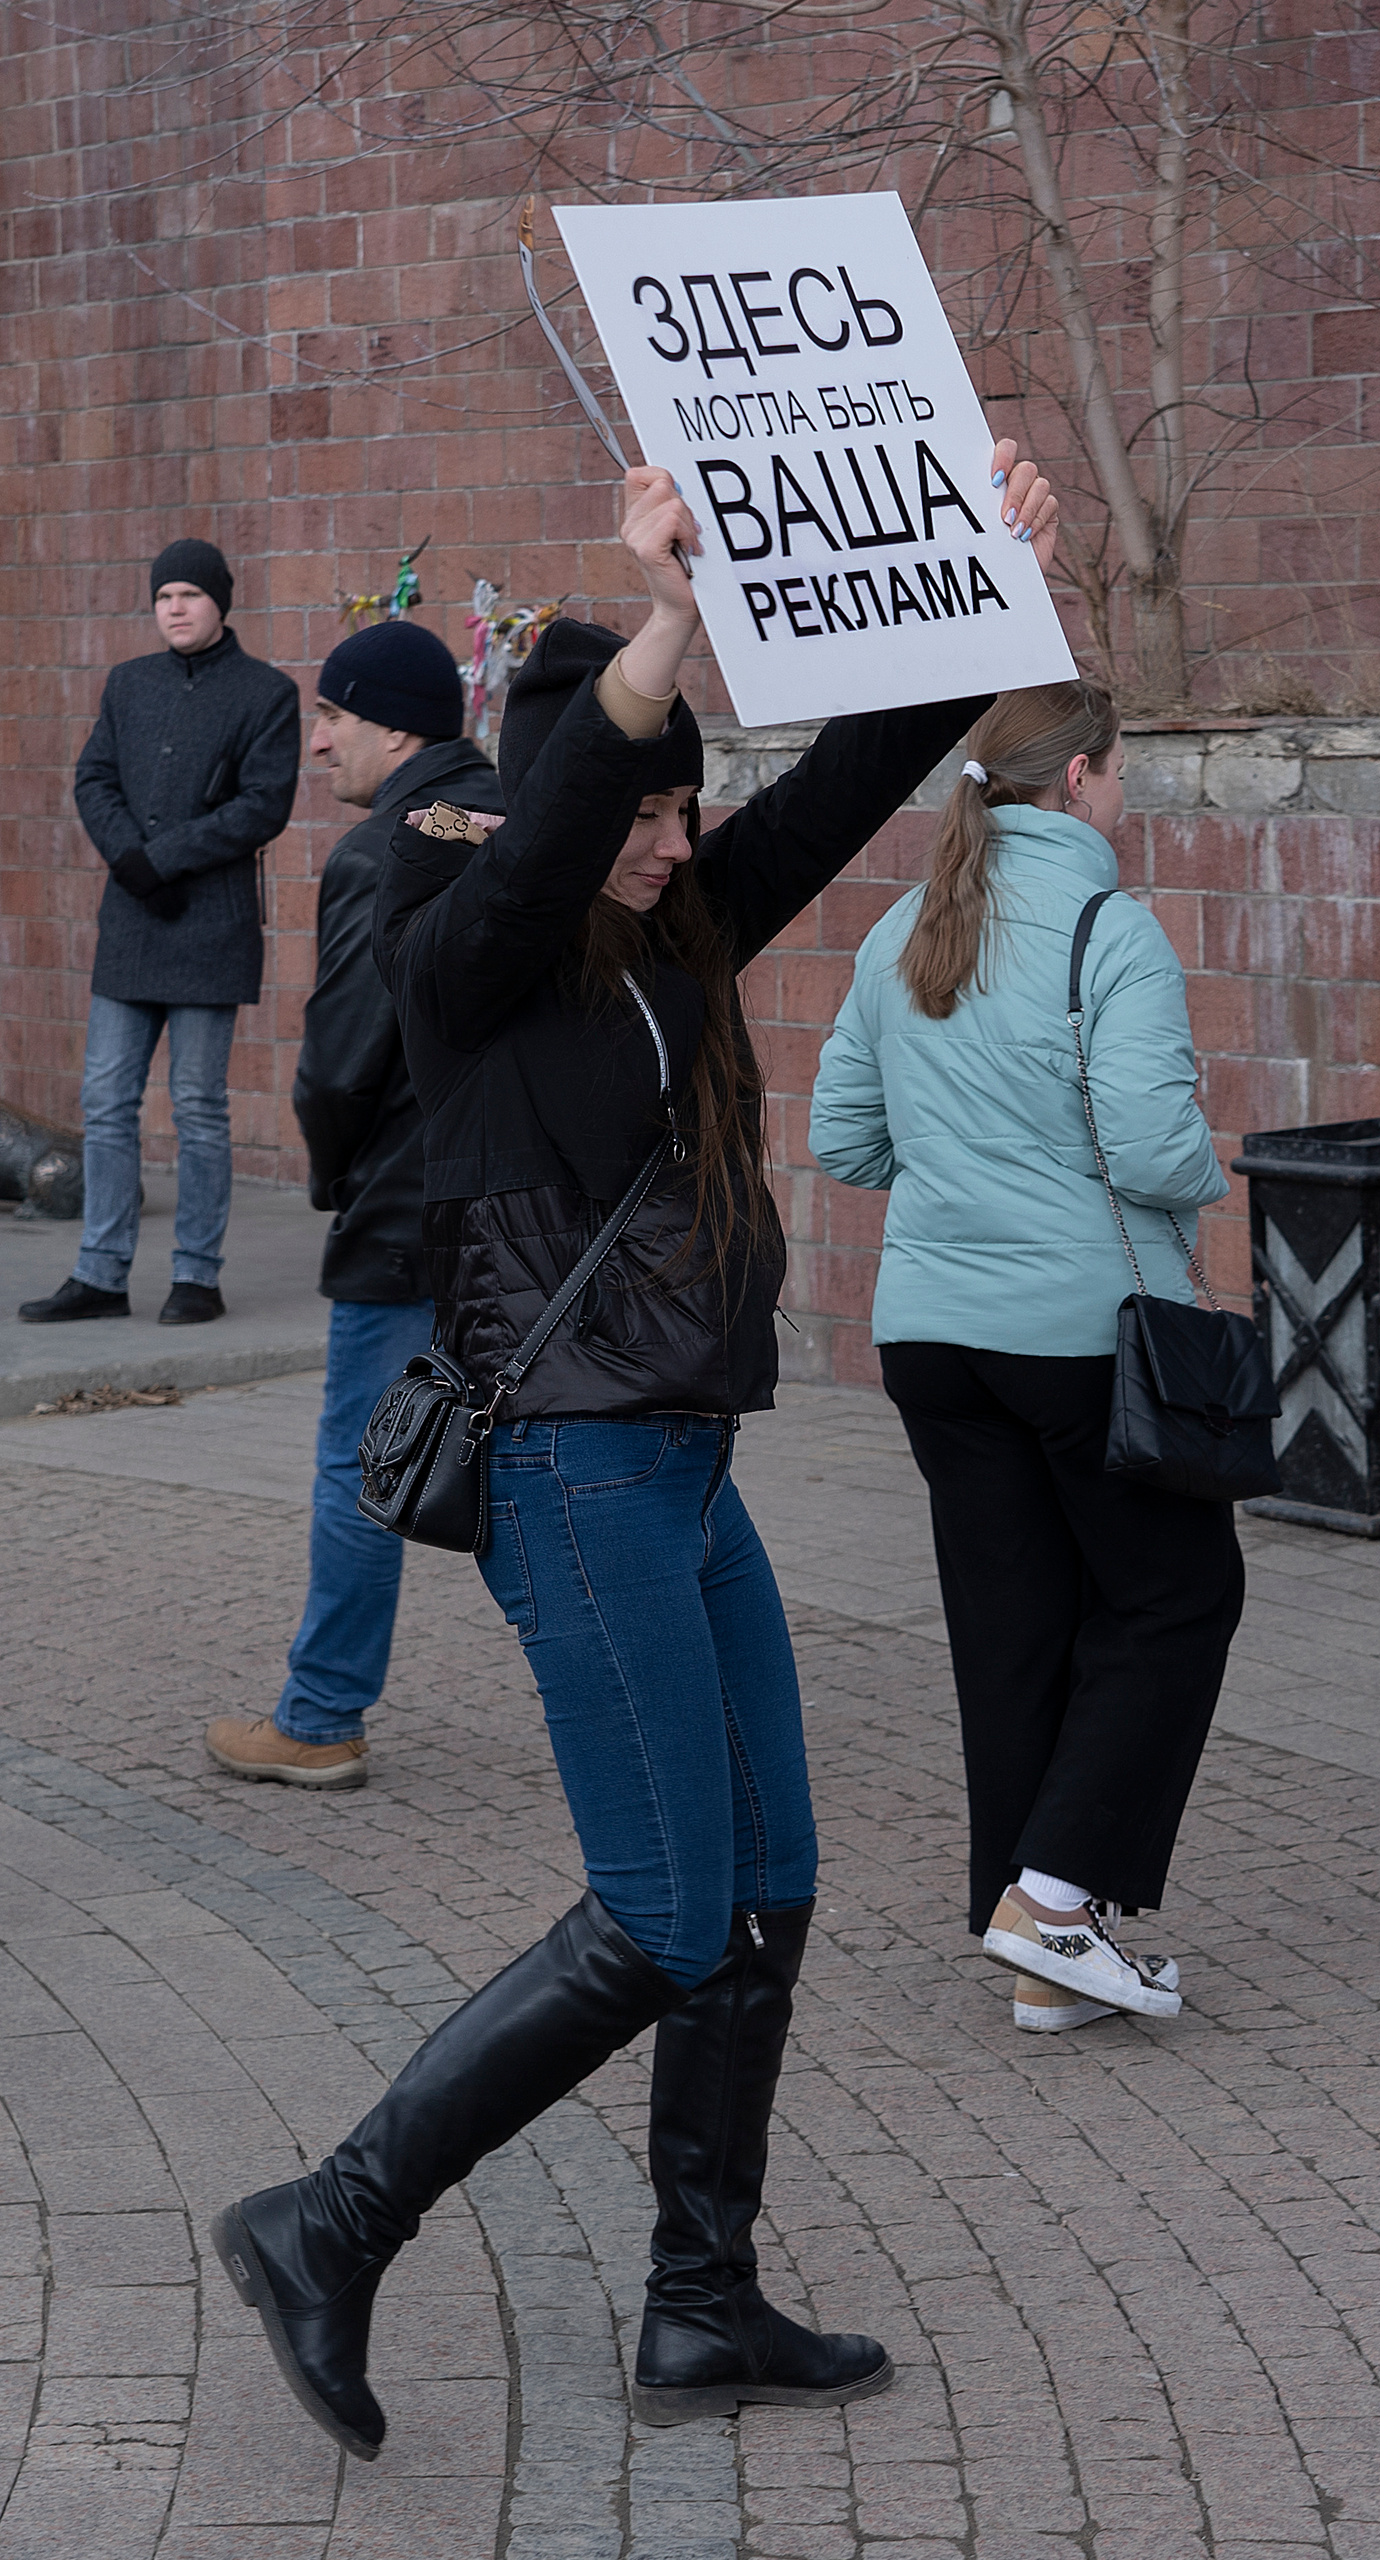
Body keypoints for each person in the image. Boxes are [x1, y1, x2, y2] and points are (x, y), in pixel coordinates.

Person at [216, 441, 1060, 2457]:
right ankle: (329, 2221)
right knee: (666, 1907)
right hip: (565, 1469)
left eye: (688, 811)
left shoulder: (671, 927)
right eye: (649, 808)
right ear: (536, 803)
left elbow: (857, 775)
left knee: (769, 1878)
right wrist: (666, 624)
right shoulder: (466, 954)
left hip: (679, 1465)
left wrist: (985, 583)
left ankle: (699, 2300)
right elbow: (569, 810)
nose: (678, 841)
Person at [807, 680, 1238, 2032]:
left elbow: (844, 1141)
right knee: (1175, 1598)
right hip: (1078, 1335)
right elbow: (1158, 1149)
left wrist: (965, 1167)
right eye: (1121, 772)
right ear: (1082, 781)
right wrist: (1196, 1181)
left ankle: (1045, 1936)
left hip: (931, 1335)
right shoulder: (1110, 928)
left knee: (1014, 1630)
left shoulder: (898, 932)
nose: (1127, 795)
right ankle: (1050, 1903)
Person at [206, 622, 501, 1792]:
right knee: (547, 1458)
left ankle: (322, 1713)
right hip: (521, 1206)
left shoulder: (384, 851)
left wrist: (332, 1175)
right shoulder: (512, 817)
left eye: (331, 716)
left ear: (396, 727)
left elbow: (340, 1061)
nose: (316, 739)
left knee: (362, 1464)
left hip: (405, 1204)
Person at [25, 539, 298, 1327]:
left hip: (209, 928)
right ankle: (101, 1274)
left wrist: (163, 859)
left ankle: (196, 1276)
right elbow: (93, 777)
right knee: (105, 1102)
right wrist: (129, 858)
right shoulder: (128, 684)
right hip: (131, 924)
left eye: (188, 594)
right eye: (163, 597)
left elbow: (262, 805)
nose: (174, 608)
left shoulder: (267, 693)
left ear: (220, 601)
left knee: (197, 1107)